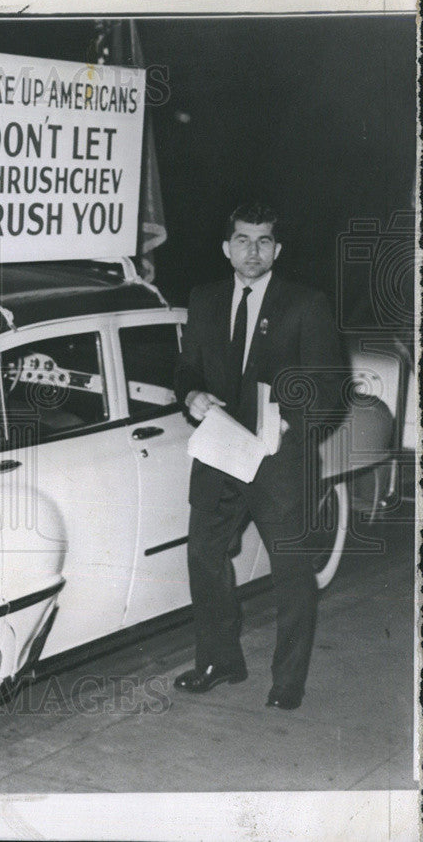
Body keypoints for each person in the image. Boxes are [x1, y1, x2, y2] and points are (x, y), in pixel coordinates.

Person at [172, 202, 344, 710]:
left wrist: (290, 425)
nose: (253, 250)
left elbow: (329, 389)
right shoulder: (204, 300)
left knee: (290, 572)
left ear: (277, 249)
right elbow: (186, 368)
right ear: (227, 248)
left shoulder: (305, 304)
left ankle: (287, 681)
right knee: (204, 556)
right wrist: (192, 396)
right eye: (243, 240)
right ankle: (220, 660)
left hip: (277, 460)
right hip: (221, 453)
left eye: (264, 240)